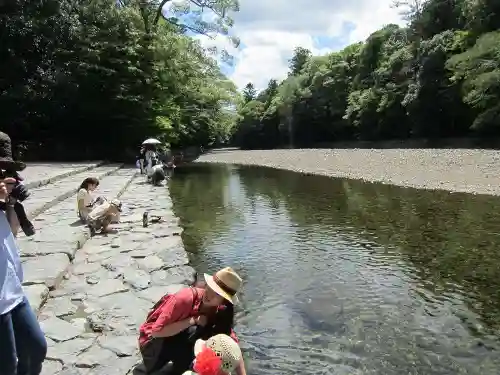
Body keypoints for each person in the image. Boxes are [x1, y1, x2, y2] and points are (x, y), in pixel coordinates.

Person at [137, 267, 247, 375]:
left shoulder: (220, 311)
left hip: (177, 344)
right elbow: (156, 332)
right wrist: (192, 320)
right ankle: (180, 369)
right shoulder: (185, 298)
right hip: (153, 346)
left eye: (217, 294)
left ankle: (186, 367)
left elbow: (230, 344)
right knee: (194, 331)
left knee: (219, 341)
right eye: (210, 288)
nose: (210, 294)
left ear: (224, 301)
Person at [0, 131, 47, 374]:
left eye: (5, 171)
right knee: (7, 366)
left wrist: (10, 203)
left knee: (36, 349)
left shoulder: (3, 200)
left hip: (13, 291)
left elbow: (13, 233)